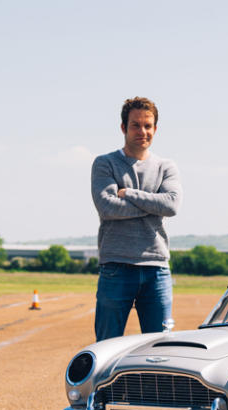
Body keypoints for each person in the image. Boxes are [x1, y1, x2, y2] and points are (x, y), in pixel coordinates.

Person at [91, 96, 182, 341]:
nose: (142, 131)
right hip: (116, 267)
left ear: (155, 129)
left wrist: (130, 194)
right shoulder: (105, 163)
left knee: (160, 348)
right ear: (123, 128)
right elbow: (108, 207)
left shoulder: (166, 166)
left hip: (156, 269)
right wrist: (154, 203)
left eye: (148, 125)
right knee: (107, 346)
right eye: (135, 125)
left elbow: (171, 205)